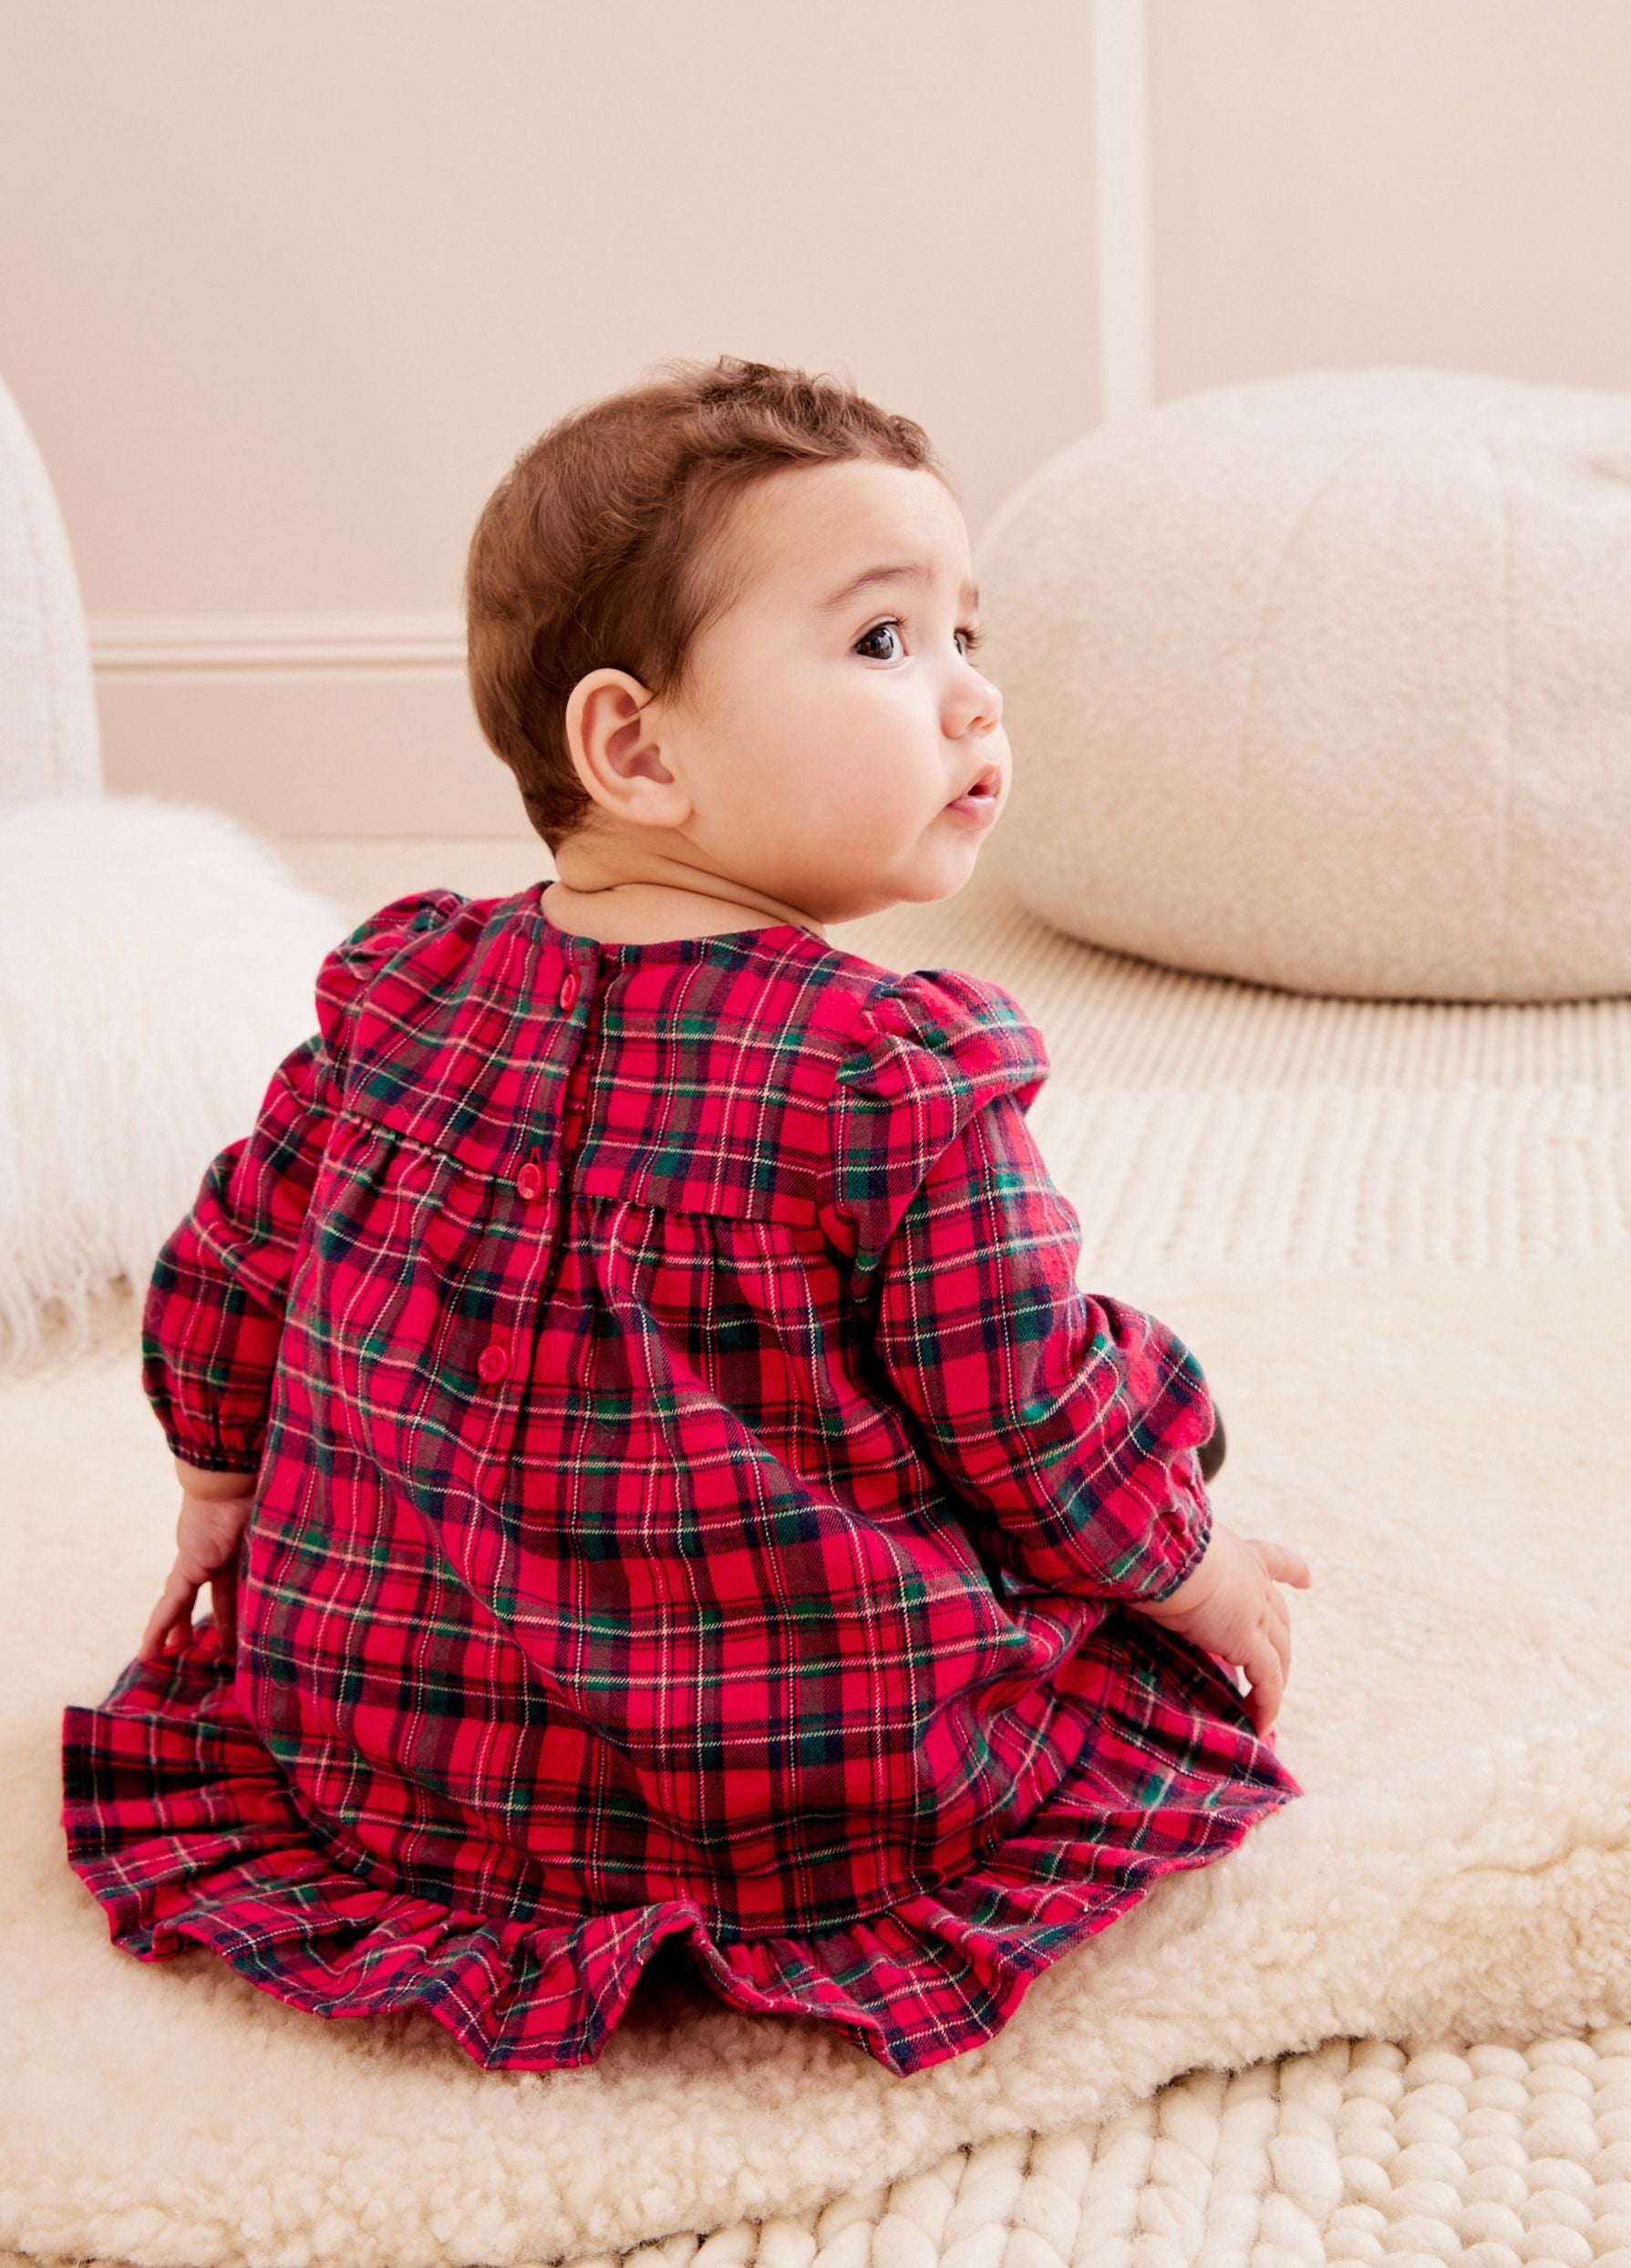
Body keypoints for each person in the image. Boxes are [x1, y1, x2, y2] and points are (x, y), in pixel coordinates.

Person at [60, 356, 1312, 2079]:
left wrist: (221, 1492)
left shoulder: (406, 994)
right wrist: (1195, 1571)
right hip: (790, 1779)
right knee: (1128, 1424)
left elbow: (228, 1270)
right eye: (885, 643)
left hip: (386, 1747)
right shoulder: (889, 1077)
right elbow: (1030, 1412)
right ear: (635, 744)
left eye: (969, 635)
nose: (968, 703)